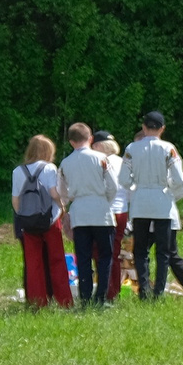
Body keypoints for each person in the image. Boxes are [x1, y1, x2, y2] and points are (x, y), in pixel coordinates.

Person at [124, 112, 183, 300]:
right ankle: (158, 292)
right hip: (162, 201)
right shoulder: (168, 148)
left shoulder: (132, 148)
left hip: (141, 201)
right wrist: (167, 187)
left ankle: (143, 290)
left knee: (140, 250)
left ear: (143, 127)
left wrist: (137, 185)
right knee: (164, 251)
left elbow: (124, 179)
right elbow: (179, 178)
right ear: (162, 128)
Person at [58, 123, 119, 308]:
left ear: (71, 142)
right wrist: (104, 200)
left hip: (80, 212)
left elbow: (63, 193)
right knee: (105, 255)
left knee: (83, 255)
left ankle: (85, 297)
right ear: (90, 139)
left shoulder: (65, 163)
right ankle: (100, 296)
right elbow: (113, 186)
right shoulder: (102, 158)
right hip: (101, 210)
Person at [10, 135, 70, 308]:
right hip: (50, 221)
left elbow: (15, 199)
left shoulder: (18, 171)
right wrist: (62, 206)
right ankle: (64, 301)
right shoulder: (49, 168)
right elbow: (53, 193)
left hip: (28, 222)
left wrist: (23, 215)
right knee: (57, 259)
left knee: (33, 263)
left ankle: (37, 302)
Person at [93, 132, 131, 302]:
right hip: (121, 211)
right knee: (113, 253)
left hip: (104, 211)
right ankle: (112, 291)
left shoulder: (101, 162)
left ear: (99, 146)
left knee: (98, 252)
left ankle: (105, 290)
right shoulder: (124, 162)